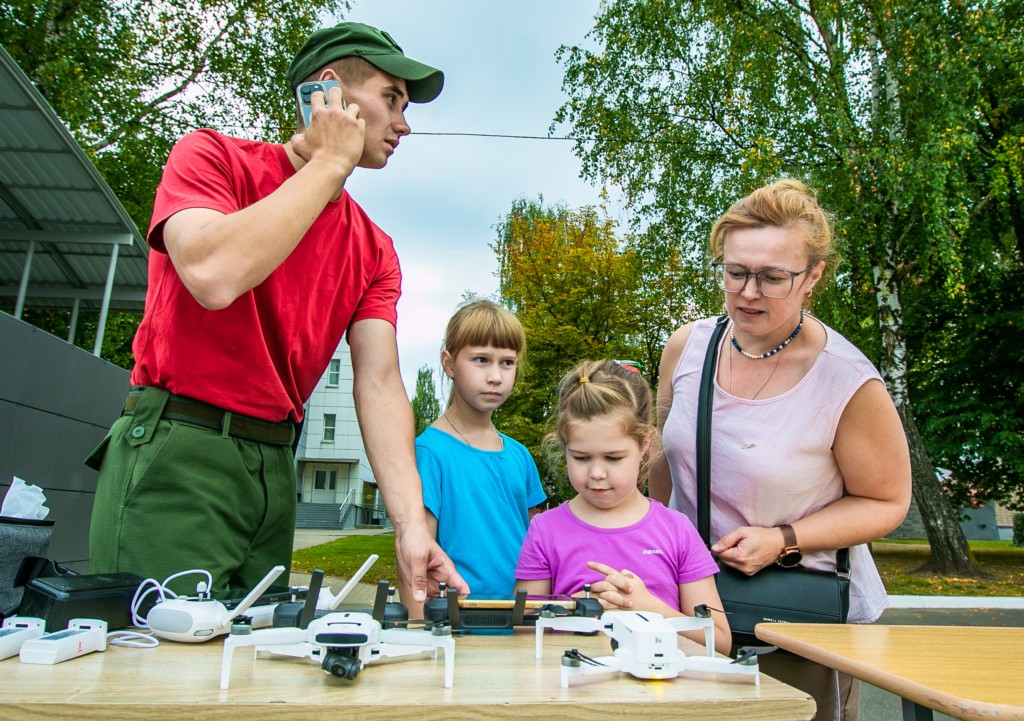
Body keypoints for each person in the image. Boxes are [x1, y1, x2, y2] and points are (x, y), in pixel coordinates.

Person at [85, 21, 468, 602]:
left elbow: (381, 380)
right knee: (153, 668)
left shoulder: (374, 248)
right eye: (392, 98)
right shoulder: (211, 157)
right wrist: (328, 163)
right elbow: (215, 276)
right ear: (330, 91)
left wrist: (411, 522)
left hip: (273, 463)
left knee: (254, 667)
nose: (404, 123)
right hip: (180, 444)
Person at [649, 179, 912, 719]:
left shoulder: (848, 381)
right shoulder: (687, 346)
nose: (748, 292)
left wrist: (783, 539)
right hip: (687, 603)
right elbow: (663, 465)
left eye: (772, 278)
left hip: (792, 618)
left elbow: (887, 501)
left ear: (813, 276)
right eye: (735, 272)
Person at [516, 359, 731, 655]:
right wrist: (575, 609)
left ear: (645, 443)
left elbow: (719, 640)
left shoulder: (677, 530)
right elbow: (518, 630)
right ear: (564, 446)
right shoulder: (545, 530)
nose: (597, 473)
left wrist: (646, 607)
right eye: (580, 457)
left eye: (613, 458)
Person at [399, 300, 546, 616]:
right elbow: (414, 560)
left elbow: (538, 552)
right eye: (481, 359)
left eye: (507, 362)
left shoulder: (520, 456)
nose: (495, 376)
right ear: (449, 364)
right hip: (456, 626)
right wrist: (418, 632)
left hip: (522, 625)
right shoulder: (429, 453)